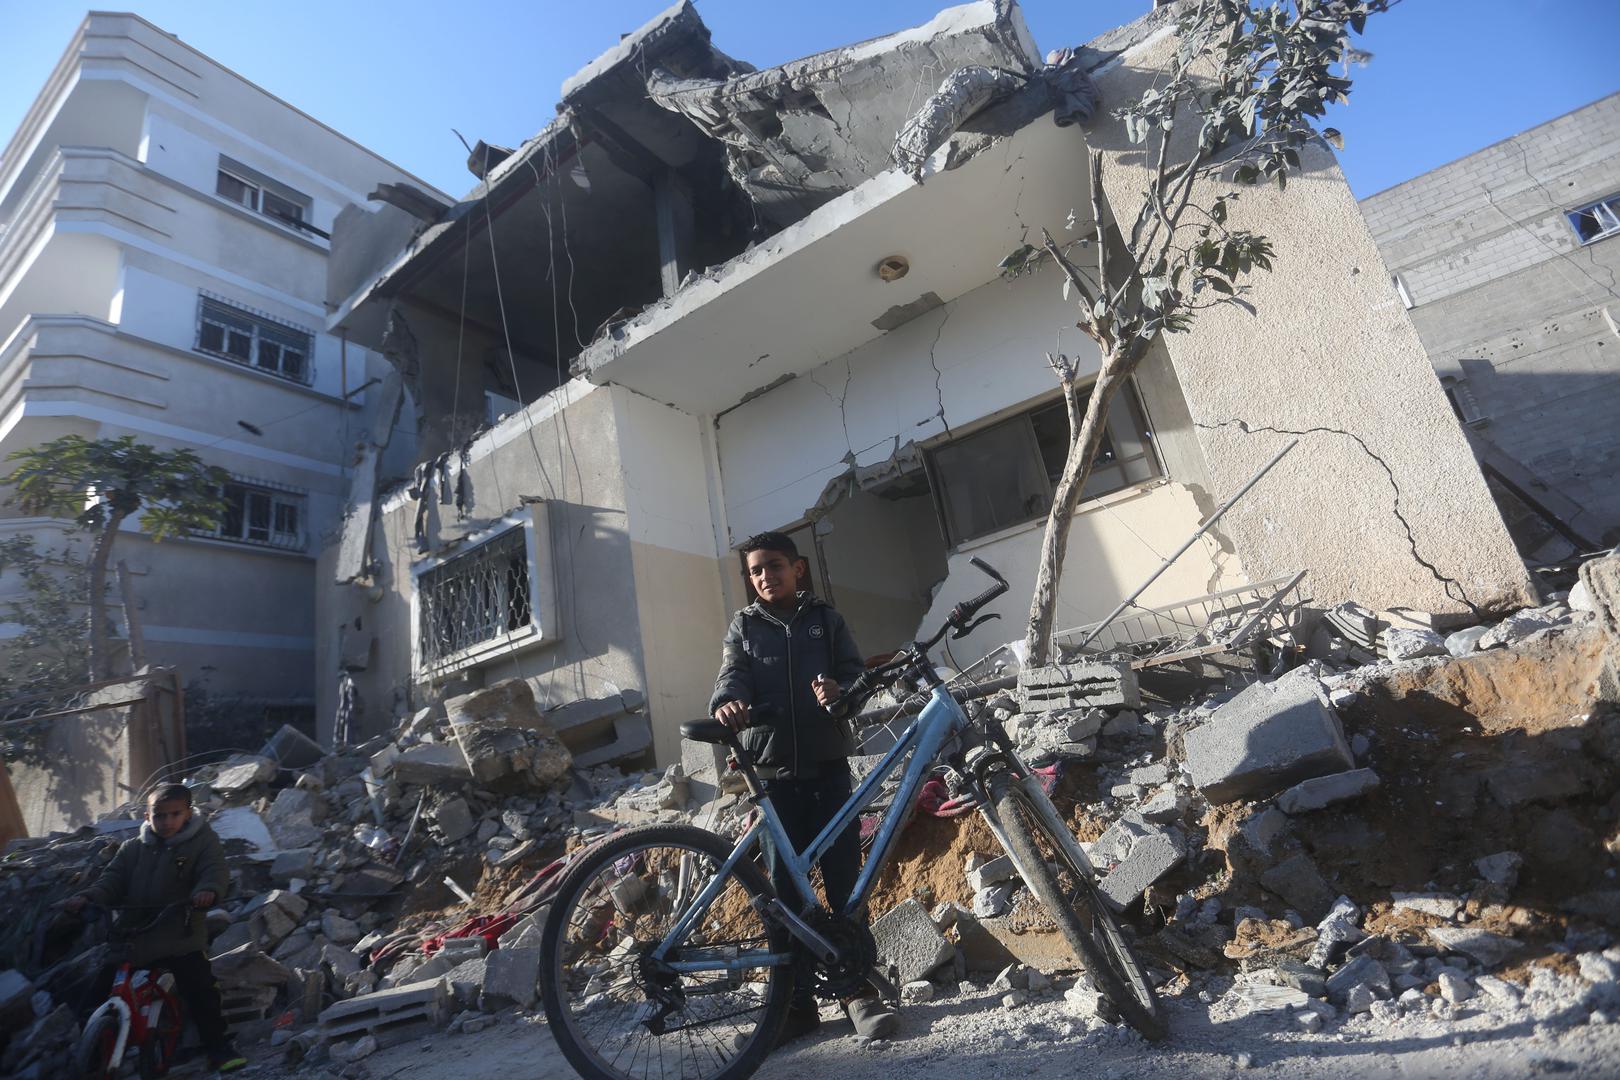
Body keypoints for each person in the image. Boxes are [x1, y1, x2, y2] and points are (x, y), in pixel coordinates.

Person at [710, 531, 900, 1045]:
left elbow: (855, 677)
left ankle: (857, 991)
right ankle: (794, 1006)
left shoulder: (826, 621)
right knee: (783, 895)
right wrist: (728, 703)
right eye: (755, 571)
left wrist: (841, 691)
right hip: (772, 781)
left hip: (830, 769)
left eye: (773, 566)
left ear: (797, 569)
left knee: (845, 883)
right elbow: (732, 677)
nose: (764, 577)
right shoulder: (744, 627)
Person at [64, 783, 245, 1074]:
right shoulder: (133, 848)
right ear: (148, 816)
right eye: (159, 815)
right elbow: (112, 880)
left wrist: (207, 891)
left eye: (174, 814)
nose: (167, 821)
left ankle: (218, 1048)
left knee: (201, 989)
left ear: (187, 814)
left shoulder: (202, 842)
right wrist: (87, 897)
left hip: (178, 931)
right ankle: (92, 1051)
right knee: (94, 992)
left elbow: (214, 870)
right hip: (133, 934)